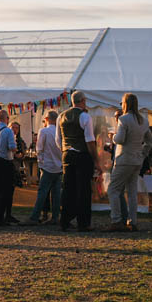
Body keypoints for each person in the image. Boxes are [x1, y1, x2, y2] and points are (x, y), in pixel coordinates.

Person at [107, 93, 152, 232]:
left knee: (113, 189)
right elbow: (149, 141)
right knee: (132, 192)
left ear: (125, 104)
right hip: (136, 160)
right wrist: (142, 154)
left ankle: (116, 220)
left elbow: (120, 139)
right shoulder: (143, 121)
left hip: (124, 159)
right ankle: (132, 221)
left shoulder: (123, 119)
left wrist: (112, 136)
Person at [58, 91, 100, 232]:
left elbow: (58, 140)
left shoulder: (61, 116)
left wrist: (66, 150)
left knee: (67, 188)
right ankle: (83, 223)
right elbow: (90, 140)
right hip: (82, 155)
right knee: (83, 190)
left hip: (66, 154)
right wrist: (96, 159)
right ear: (83, 100)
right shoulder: (85, 117)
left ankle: (65, 220)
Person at [26, 110, 62, 225]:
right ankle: (55, 217)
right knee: (56, 194)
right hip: (58, 166)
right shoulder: (60, 132)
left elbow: (39, 148)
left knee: (42, 192)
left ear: (47, 119)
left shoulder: (44, 131)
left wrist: (40, 162)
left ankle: (34, 217)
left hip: (47, 166)